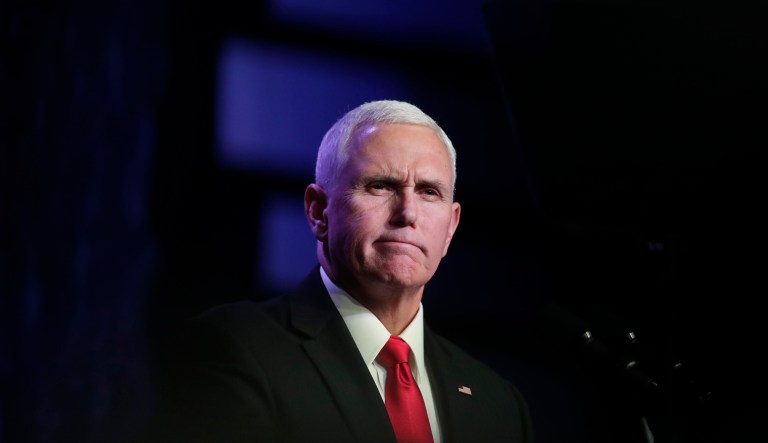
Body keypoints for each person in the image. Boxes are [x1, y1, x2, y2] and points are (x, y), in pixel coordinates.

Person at [140, 99, 534, 443]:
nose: (408, 214)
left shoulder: (497, 403)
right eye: (381, 185)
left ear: (450, 227)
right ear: (318, 211)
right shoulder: (233, 349)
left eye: (429, 192)